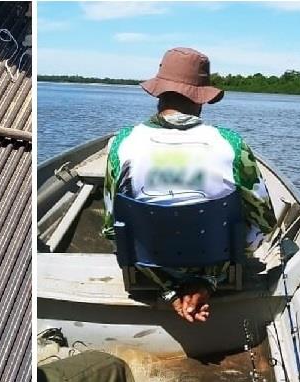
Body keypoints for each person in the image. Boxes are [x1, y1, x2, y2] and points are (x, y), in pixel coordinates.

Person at [102, 47, 277, 323]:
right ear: (201, 99)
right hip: (218, 263)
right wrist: (209, 276)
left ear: (159, 94)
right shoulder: (232, 144)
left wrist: (170, 287)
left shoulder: (121, 143)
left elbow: (112, 227)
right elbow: (265, 219)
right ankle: (205, 285)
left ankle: (173, 293)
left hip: (149, 267)